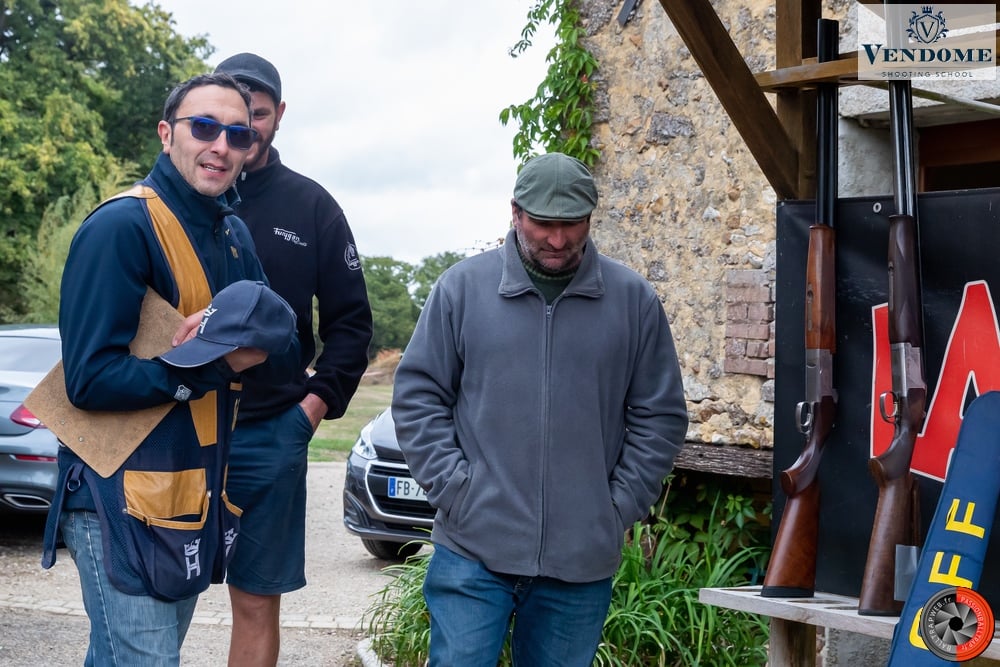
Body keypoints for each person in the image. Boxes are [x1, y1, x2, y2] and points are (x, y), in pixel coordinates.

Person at [40, 72, 301, 666]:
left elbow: (285, 349)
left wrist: (241, 328)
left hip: (188, 497)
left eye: (238, 134)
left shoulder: (232, 235)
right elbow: (88, 380)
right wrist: (210, 362)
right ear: (167, 133)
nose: (221, 146)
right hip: (118, 499)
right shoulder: (121, 227)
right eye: (204, 127)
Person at [392, 152, 689, 666]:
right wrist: (457, 490)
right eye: (543, 224)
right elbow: (419, 397)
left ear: (590, 218)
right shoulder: (461, 289)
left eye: (571, 224)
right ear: (515, 212)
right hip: (472, 549)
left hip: (580, 561)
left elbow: (660, 416)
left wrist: (615, 506)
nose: (556, 239)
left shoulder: (634, 300)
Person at [212, 53, 373, 666]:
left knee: (256, 600)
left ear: (279, 114)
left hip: (268, 432)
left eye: (256, 115)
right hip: (175, 426)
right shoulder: (182, 199)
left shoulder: (312, 206)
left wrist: (310, 409)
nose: (243, 130)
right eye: (230, 116)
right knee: (161, 592)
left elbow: (351, 325)